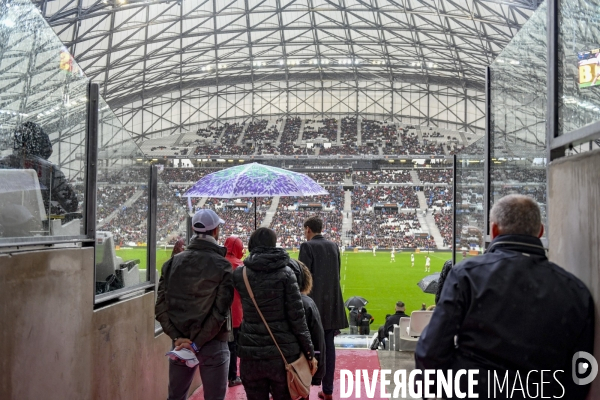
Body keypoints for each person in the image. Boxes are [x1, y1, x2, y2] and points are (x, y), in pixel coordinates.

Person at [415, 195, 595, 399]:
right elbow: (582, 371)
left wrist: (431, 390)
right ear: (540, 232)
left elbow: (432, 349)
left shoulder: (467, 275)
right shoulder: (575, 290)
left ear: (494, 230)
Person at [155, 209, 234, 400]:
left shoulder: (172, 263)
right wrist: (197, 343)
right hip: (213, 344)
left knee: (175, 396)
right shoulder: (223, 266)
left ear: (193, 229)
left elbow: (160, 308)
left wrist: (179, 339)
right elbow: (220, 312)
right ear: (216, 231)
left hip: (181, 343)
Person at [233, 228, 317, 400]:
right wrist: (309, 352)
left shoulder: (240, 274)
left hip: (251, 355)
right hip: (283, 354)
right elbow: (297, 319)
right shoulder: (286, 274)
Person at [299, 216, 349, 400]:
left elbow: (302, 279)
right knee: (329, 347)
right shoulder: (333, 246)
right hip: (332, 305)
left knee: (305, 347)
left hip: (313, 307)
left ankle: (303, 389)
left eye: (305, 230)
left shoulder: (307, 247)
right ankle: (328, 390)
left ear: (308, 229)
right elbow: (337, 274)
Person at [0, 122, 78, 227]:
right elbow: (71, 204)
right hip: (39, 230)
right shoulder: (49, 170)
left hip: (5, 228)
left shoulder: (3, 164)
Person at [289, 259, 326, 399]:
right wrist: (318, 374)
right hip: (297, 366)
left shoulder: (267, 300)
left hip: (268, 366)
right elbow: (318, 340)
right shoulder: (307, 304)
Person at [224, 235, 244, 387]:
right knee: (233, 346)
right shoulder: (240, 266)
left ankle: (223, 375)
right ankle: (232, 376)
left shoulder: (219, 262)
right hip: (236, 312)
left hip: (219, 310)